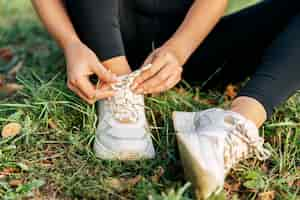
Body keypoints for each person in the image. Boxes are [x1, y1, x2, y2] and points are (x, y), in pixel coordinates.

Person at [32, 0, 300, 199]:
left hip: (188, 39)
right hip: (103, 32)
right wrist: (70, 43)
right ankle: (120, 87)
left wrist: (178, 50)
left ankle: (234, 124)